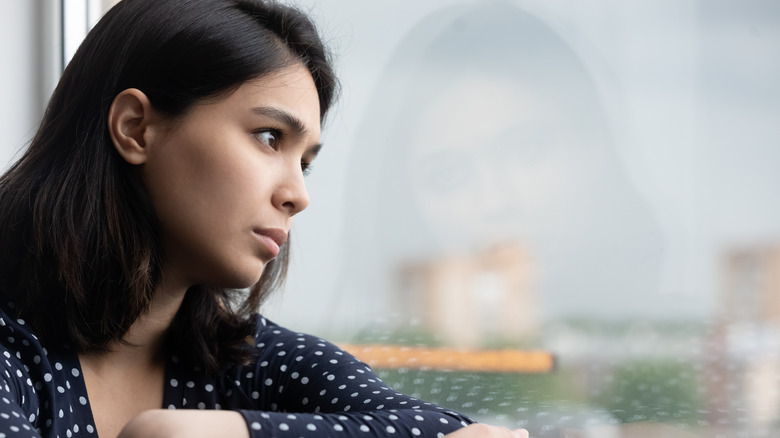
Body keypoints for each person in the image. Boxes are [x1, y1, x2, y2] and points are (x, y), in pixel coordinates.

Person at [0, 0, 528, 437]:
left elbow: (455, 431)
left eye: (305, 163)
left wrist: (201, 433)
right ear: (136, 128)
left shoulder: (246, 358)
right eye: (270, 137)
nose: (298, 194)